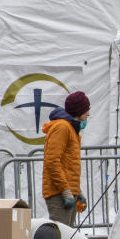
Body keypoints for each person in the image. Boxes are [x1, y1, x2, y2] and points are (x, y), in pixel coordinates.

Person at [42, 90, 89, 226]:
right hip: (58, 193)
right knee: (61, 238)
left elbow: (68, 165)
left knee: (67, 237)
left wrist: (76, 190)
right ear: (79, 111)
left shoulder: (70, 129)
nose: (88, 114)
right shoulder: (62, 127)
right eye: (86, 110)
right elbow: (52, 162)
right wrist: (65, 191)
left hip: (65, 191)